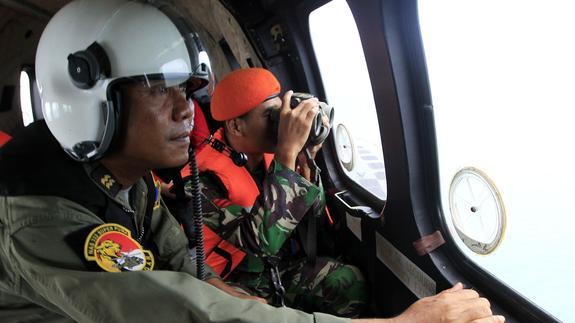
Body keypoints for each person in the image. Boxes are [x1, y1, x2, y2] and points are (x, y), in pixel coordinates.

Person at [0, 1, 504, 322]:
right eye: (159, 89)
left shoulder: (125, 178)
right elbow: (210, 290)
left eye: (185, 89)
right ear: (96, 102)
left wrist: (301, 158)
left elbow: (184, 266)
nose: (185, 109)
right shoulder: (41, 213)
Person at [176, 67, 368, 316]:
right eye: (271, 116)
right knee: (257, 316)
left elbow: (316, 214)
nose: (282, 123)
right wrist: (287, 153)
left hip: (279, 266)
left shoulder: (272, 154)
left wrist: (305, 158)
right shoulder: (199, 180)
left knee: (349, 282)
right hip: (232, 280)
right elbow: (259, 242)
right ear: (236, 126)